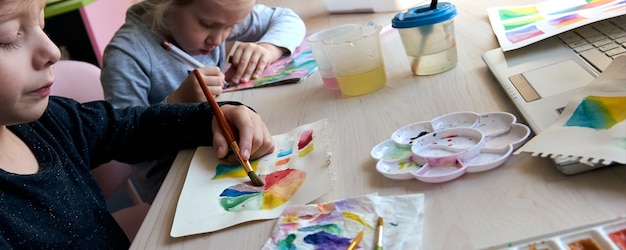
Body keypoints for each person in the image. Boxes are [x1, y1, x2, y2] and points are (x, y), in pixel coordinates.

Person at [0, 0, 275, 248]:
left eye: (42, 23)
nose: (53, 51)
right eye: (8, 37)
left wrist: (215, 116)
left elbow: (130, 127)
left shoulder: (51, 120)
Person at [99, 0, 305, 202]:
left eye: (231, 27)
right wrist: (177, 102)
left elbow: (287, 18)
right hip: (173, 185)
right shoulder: (125, 56)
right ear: (167, 4)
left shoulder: (219, 11)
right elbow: (123, 138)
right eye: (208, 25)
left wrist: (267, 48)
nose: (218, 39)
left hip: (221, 148)